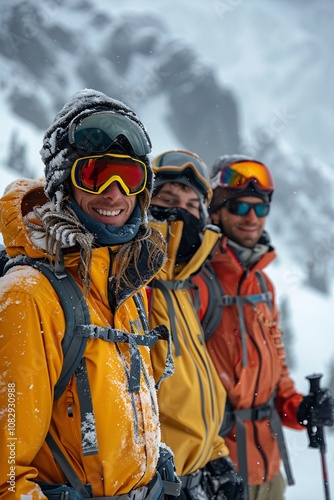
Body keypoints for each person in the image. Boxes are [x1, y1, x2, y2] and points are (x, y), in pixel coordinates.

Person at [0, 89, 179, 499]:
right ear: (64, 184)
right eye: (95, 175)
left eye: (129, 177)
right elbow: (5, 475)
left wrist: (150, 458)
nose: (114, 193)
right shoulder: (29, 295)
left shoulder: (125, 283)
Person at [193, 154, 334, 500]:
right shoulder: (197, 282)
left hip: (269, 471)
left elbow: (275, 370)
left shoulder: (262, 286)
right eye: (239, 207)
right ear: (215, 211)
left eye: (260, 208)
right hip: (218, 474)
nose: (252, 217)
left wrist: (298, 408)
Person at [147, 150, 245, 499]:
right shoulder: (133, 286)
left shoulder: (183, 287)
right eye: (167, 199)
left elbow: (195, 391)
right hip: (155, 486)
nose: (180, 212)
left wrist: (216, 456)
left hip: (194, 481)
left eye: (192, 205)